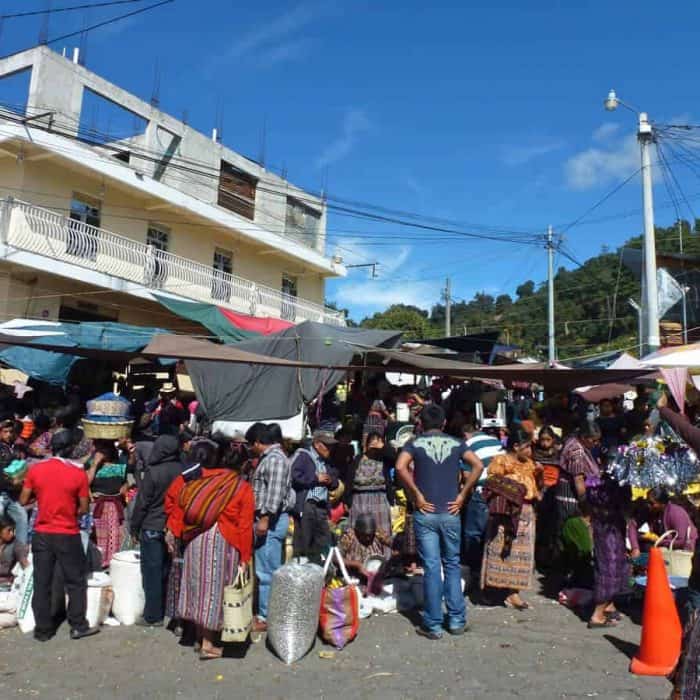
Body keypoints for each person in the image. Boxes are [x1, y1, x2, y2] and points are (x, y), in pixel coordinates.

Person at [395, 403, 483, 639]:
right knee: (452, 565)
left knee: (432, 567)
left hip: (426, 512)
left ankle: (432, 624)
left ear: (421, 423)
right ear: (444, 423)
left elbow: (400, 466)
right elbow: (478, 464)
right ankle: (456, 620)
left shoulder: (414, 443)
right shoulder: (456, 443)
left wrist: (416, 494)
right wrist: (463, 494)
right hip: (451, 512)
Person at [176, 439, 254, 660]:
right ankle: (208, 645)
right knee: (213, 591)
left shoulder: (204, 479)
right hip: (221, 540)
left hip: (196, 537)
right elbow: (245, 525)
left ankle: (201, 637)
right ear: (244, 465)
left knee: (198, 587)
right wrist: (245, 557)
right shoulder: (242, 487)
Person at [18, 429, 98, 641]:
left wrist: (42, 503)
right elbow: (83, 509)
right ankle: (78, 625)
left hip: (42, 533)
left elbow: (24, 500)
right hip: (67, 533)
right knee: (75, 581)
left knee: (42, 581)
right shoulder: (78, 473)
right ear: (70, 449)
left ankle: (43, 630)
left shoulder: (35, 470)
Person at [481, 427, 542, 610]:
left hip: (526, 512)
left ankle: (512, 593)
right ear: (516, 446)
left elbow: (538, 489)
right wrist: (513, 491)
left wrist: (539, 476)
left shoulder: (531, 464)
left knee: (520, 554)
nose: (530, 451)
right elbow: (492, 483)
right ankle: (490, 591)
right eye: (527, 447)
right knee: (498, 549)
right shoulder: (501, 461)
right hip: (505, 513)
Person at [130, 434, 184, 627]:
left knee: (152, 572)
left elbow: (142, 503)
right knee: (172, 571)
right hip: (176, 527)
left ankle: (153, 615)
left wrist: (134, 527)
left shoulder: (153, 472)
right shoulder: (183, 470)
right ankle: (174, 612)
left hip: (152, 526)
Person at [246, 422, 295, 633]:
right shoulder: (273, 458)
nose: (250, 448)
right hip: (268, 519)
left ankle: (266, 616)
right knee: (267, 568)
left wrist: (265, 518)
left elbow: (274, 494)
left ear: (258, 442)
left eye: (251, 444)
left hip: (271, 520)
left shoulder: (274, 460)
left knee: (267, 571)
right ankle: (266, 612)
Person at [586, 473, 631, 629]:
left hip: (610, 527)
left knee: (616, 565)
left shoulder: (598, 482)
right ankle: (597, 615)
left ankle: (608, 606)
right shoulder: (600, 484)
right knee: (609, 569)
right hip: (607, 529)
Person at [461, 422, 505, 582]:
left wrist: (464, 495)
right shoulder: (496, 441)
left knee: (473, 533)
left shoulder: (466, 445)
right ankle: (491, 570)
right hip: (501, 492)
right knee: (492, 532)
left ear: (465, 434)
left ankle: (474, 571)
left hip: (482, 491)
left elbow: (466, 475)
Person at [291, 430, 339, 562]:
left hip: (322, 507)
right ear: (317, 444)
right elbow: (294, 476)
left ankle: (320, 570)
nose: (330, 448)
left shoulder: (327, 461)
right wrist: (315, 479)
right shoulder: (303, 456)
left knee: (322, 541)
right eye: (327, 445)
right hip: (307, 505)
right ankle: (302, 570)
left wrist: (330, 481)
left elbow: (335, 480)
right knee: (304, 541)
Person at [87, 440, 128, 567]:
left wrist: (125, 486)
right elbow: (85, 483)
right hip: (98, 506)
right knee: (98, 535)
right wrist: (94, 464)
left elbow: (125, 482)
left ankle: (112, 563)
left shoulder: (120, 466)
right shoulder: (91, 465)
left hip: (115, 506)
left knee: (114, 534)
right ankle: (98, 562)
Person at [346, 432, 393, 536]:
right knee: (359, 533)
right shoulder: (357, 460)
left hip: (380, 502)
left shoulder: (384, 459)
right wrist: (348, 501)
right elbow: (349, 481)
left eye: (378, 440)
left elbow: (395, 457)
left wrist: (383, 447)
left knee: (381, 534)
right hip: (359, 502)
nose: (375, 444)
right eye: (373, 440)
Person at [0, 418, 28, 566]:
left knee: (22, 517)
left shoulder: (12, 447)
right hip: (2, 492)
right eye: (5, 431)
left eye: (11, 431)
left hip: (10, 494)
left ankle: (21, 555)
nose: (9, 434)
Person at [338, 512, 392, 583]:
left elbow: (393, 543)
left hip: (376, 575)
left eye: (370, 535)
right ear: (357, 531)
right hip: (353, 578)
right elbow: (335, 558)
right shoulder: (349, 536)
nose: (368, 538)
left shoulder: (377, 532)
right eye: (364, 535)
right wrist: (357, 565)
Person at [647, 486, 698, 551]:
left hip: (683, 550)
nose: (648, 505)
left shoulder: (675, 513)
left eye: (651, 503)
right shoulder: (658, 513)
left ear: (662, 503)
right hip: (671, 548)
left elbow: (681, 541)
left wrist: (659, 541)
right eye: (647, 502)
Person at [0, 516, 17, 585]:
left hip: (7, 584)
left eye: (13, 530)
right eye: (9, 530)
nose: (12, 534)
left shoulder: (15, 546)